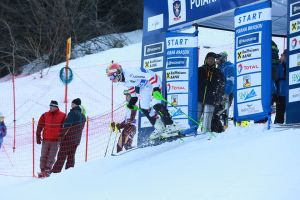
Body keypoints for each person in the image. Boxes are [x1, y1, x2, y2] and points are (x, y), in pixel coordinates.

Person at [106, 62, 179, 140]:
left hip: (153, 81)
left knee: (155, 103)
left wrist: (156, 88)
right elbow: (130, 87)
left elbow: (150, 76)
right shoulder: (121, 80)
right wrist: (133, 100)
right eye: (110, 78)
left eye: (112, 77)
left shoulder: (131, 73)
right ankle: (159, 128)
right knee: (144, 108)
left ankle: (171, 126)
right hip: (144, 87)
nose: (112, 80)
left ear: (118, 73)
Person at [52, 98, 86, 173]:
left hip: (68, 139)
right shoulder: (83, 116)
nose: (71, 105)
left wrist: (61, 135)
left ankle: (55, 172)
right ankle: (69, 172)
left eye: (72, 103)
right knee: (71, 156)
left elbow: (66, 125)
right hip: (76, 140)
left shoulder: (73, 113)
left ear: (75, 104)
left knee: (61, 155)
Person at [36, 100, 66, 177]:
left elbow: (65, 127)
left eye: (52, 106)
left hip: (55, 140)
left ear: (56, 107)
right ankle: (42, 170)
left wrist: (61, 137)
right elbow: (40, 126)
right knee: (43, 155)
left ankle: (48, 170)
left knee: (51, 156)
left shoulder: (63, 115)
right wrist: (38, 136)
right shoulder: (45, 115)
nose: (51, 107)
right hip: (46, 139)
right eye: (50, 106)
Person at [198, 52, 225, 133]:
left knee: (207, 118)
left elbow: (221, 87)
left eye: (213, 59)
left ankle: (205, 134)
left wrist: (218, 100)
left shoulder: (218, 72)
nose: (211, 60)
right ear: (205, 60)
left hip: (211, 100)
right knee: (195, 118)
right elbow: (191, 84)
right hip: (198, 99)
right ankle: (192, 132)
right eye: (209, 59)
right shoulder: (199, 70)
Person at [216, 51, 234, 129]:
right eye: (216, 59)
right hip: (219, 93)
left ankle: (225, 126)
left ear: (223, 59)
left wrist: (226, 93)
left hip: (226, 93)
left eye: (218, 59)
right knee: (219, 110)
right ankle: (220, 125)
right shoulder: (219, 68)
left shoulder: (229, 67)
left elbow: (230, 81)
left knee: (223, 109)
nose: (216, 61)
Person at [274, 49, 287, 124]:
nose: (281, 56)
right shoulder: (279, 66)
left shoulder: (280, 66)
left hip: (284, 93)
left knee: (280, 113)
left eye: (282, 55)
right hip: (282, 93)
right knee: (280, 113)